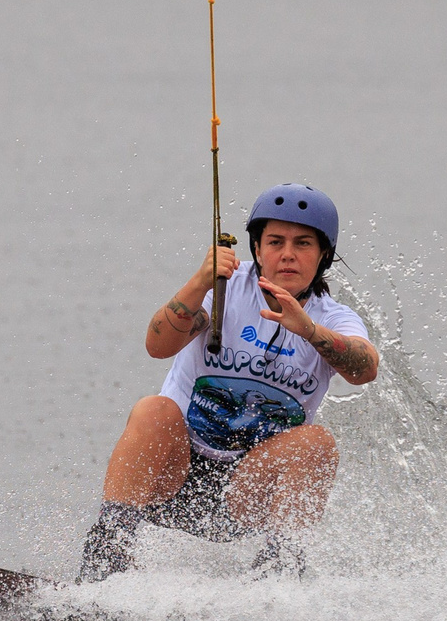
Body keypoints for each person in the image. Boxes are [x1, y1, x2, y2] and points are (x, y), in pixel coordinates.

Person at [80, 183, 378, 582]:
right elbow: (157, 345)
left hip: (245, 495)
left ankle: (279, 575)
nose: (287, 254)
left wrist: (308, 331)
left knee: (317, 443)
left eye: (303, 243)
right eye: (275, 242)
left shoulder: (333, 317)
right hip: (173, 478)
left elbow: (365, 369)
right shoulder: (222, 293)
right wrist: (200, 281)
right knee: (154, 409)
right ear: (257, 249)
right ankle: (106, 555)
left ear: (323, 255)